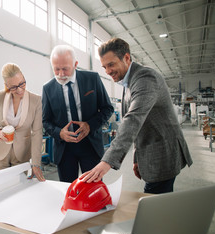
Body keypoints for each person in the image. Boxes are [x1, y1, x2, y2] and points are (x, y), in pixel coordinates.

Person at [80, 38, 193, 194]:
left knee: (154, 203)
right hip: (149, 149)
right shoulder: (128, 82)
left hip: (163, 151)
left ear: (126, 58)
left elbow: (133, 119)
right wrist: (136, 158)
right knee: (157, 202)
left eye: (111, 64)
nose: (107, 71)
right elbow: (138, 126)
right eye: (104, 67)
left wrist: (106, 161)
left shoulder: (145, 78)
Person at [42, 45, 114, 183]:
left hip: (90, 144)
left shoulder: (92, 79)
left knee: (94, 188)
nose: (61, 74)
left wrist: (89, 125)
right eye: (56, 69)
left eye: (65, 69)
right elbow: (45, 121)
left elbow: (107, 108)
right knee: (69, 190)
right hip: (64, 149)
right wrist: (59, 133)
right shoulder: (47, 88)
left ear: (75, 64)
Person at [0, 63, 45, 182]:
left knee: (18, 190)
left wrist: (36, 163)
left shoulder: (36, 100)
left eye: (22, 84)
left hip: (21, 155)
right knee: (1, 189)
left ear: (23, 77)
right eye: (13, 87)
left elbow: (37, 132)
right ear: (6, 85)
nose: (19, 90)